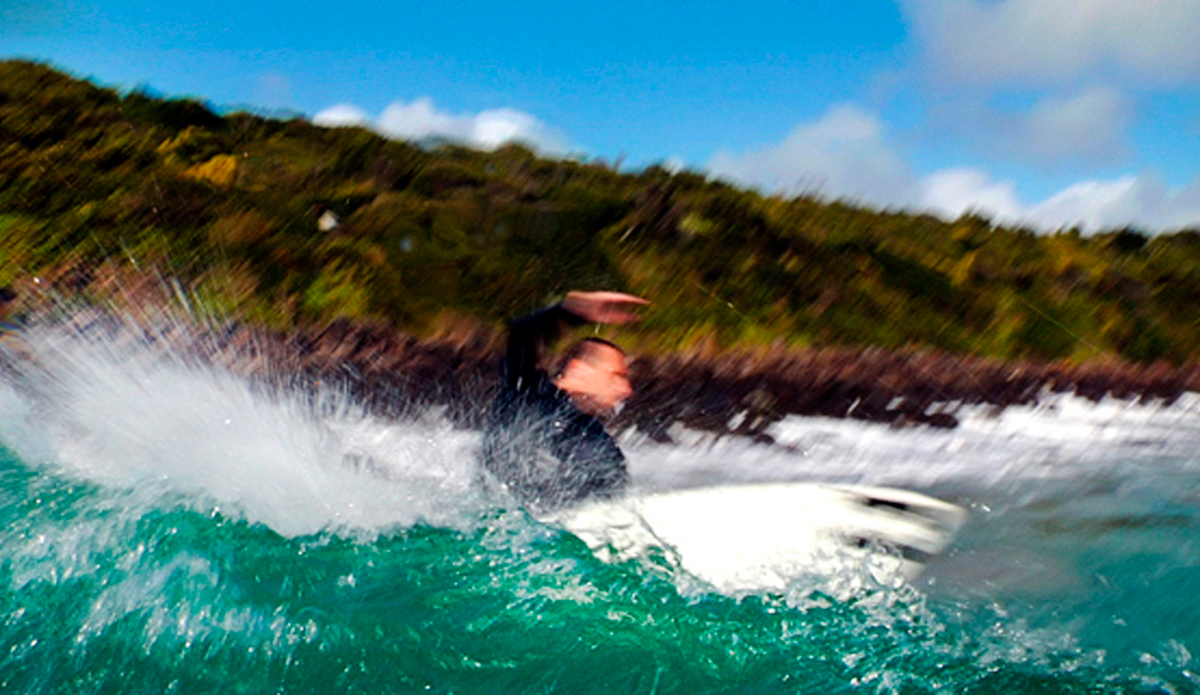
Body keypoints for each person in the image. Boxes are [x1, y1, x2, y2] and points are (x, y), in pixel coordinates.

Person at [480, 290, 648, 512]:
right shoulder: (527, 392)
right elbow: (522, 333)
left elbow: (612, 504)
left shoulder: (597, 439)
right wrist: (571, 311)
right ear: (579, 369)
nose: (626, 390)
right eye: (617, 376)